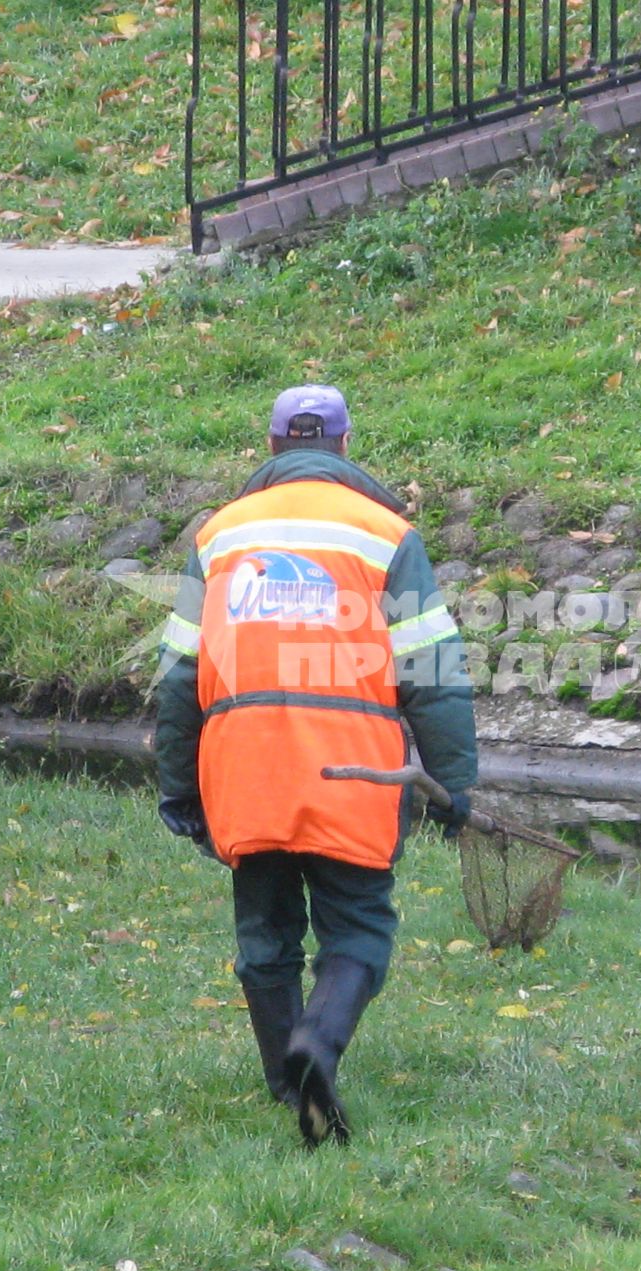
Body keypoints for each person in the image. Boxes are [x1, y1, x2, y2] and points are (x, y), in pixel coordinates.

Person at [153, 384, 477, 1147]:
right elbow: (432, 667)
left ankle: (282, 1076)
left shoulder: (219, 536)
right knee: (358, 928)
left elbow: (176, 677)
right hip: (355, 773)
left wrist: (178, 784)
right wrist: (454, 784)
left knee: (264, 930)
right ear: (344, 445)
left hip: (245, 769)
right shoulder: (385, 534)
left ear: (271, 448)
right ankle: (317, 1044)